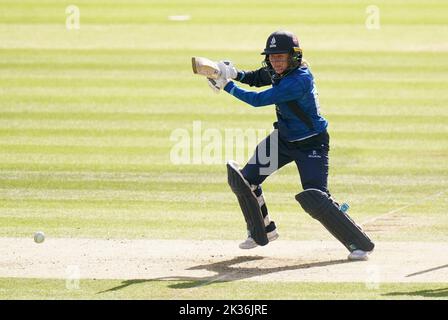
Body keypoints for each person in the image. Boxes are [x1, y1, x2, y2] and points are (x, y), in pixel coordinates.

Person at [208, 30, 374, 261]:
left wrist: (227, 85)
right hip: (283, 140)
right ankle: (262, 231)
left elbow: (258, 100)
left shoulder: (299, 80)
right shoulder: (280, 71)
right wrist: (235, 73)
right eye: (272, 57)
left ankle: (359, 244)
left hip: (311, 144)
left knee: (316, 197)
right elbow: (257, 78)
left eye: (280, 57)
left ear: (294, 56)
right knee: (246, 180)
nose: (275, 61)